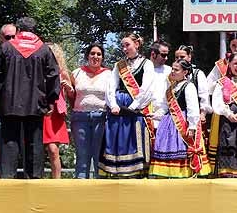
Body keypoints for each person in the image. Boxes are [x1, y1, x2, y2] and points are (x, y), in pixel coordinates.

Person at [0, 17, 60, 179]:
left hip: (9, 104)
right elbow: (53, 76)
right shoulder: (43, 50)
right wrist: (51, 100)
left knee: (9, 142)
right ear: (34, 30)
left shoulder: (6, 48)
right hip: (36, 104)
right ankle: (34, 180)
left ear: (18, 30)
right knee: (34, 143)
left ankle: (7, 179)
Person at [100, 32, 156, 178]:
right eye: (123, 46)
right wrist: (112, 104)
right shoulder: (119, 65)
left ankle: (136, 173)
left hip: (135, 108)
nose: (124, 48)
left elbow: (147, 88)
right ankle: (117, 172)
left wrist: (133, 107)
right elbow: (111, 86)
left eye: (127, 45)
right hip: (118, 107)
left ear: (136, 44)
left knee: (133, 138)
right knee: (117, 137)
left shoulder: (147, 64)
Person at [149, 58, 208, 178]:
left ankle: (183, 173)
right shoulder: (170, 88)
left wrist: (192, 126)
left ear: (185, 72)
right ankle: (167, 174)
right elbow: (165, 107)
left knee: (182, 147)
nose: (173, 71)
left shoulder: (189, 86)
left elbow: (193, 108)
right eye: (172, 69)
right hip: (169, 123)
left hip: (183, 122)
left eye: (176, 69)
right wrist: (156, 115)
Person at [69, 44, 112, 179]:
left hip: (101, 117)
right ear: (87, 56)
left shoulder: (109, 74)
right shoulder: (76, 73)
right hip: (80, 118)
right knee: (82, 154)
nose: (95, 56)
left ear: (102, 57)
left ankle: (100, 191)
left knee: (99, 155)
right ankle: (80, 189)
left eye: (99, 54)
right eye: (92, 53)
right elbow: (71, 97)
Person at [42, 43, 73, 179]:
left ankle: (57, 182)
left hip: (56, 114)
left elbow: (71, 97)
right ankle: (35, 179)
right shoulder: (37, 70)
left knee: (53, 150)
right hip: (40, 112)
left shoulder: (63, 73)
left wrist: (69, 89)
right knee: (36, 151)